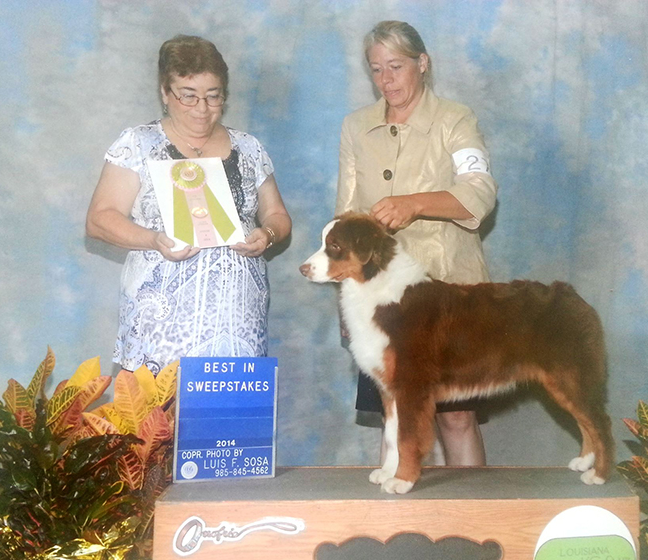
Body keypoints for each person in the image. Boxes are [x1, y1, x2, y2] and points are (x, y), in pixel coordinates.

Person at [336, 21, 497, 466]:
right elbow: (345, 220)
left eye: (396, 66)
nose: (386, 80)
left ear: (422, 64)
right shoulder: (355, 127)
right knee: (394, 413)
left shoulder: (455, 119)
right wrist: (346, 299)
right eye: (376, 69)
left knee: (457, 415)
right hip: (380, 300)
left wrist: (416, 203)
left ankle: (472, 507)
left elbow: (480, 191)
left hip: (451, 291)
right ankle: (393, 503)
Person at [86, 35, 291, 374]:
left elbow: (277, 215)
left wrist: (267, 234)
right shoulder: (138, 144)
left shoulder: (249, 147)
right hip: (160, 326)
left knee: (230, 409)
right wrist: (154, 240)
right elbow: (99, 219)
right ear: (165, 93)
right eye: (189, 95)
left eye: (213, 96)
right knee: (154, 409)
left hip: (238, 321)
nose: (202, 108)